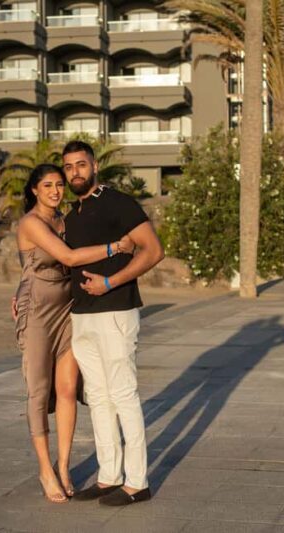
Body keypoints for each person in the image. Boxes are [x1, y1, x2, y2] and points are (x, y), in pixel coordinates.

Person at [13, 163, 134, 504]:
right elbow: (66, 256)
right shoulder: (31, 223)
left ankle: (63, 467)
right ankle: (45, 470)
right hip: (37, 310)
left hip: (67, 309)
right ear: (34, 190)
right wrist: (116, 247)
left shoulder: (63, 221)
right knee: (38, 391)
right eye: (48, 185)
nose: (55, 190)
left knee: (67, 389)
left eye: (59, 185)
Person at [62, 140, 165, 506]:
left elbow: (153, 250)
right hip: (82, 315)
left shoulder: (118, 202)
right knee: (99, 398)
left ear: (94, 166)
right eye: (69, 166)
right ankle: (109, 476)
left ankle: (137, 482)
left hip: (116, 311)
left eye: (81, 164)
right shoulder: (71, 214)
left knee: (123, 395)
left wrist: (110, 282)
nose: (75, 171)